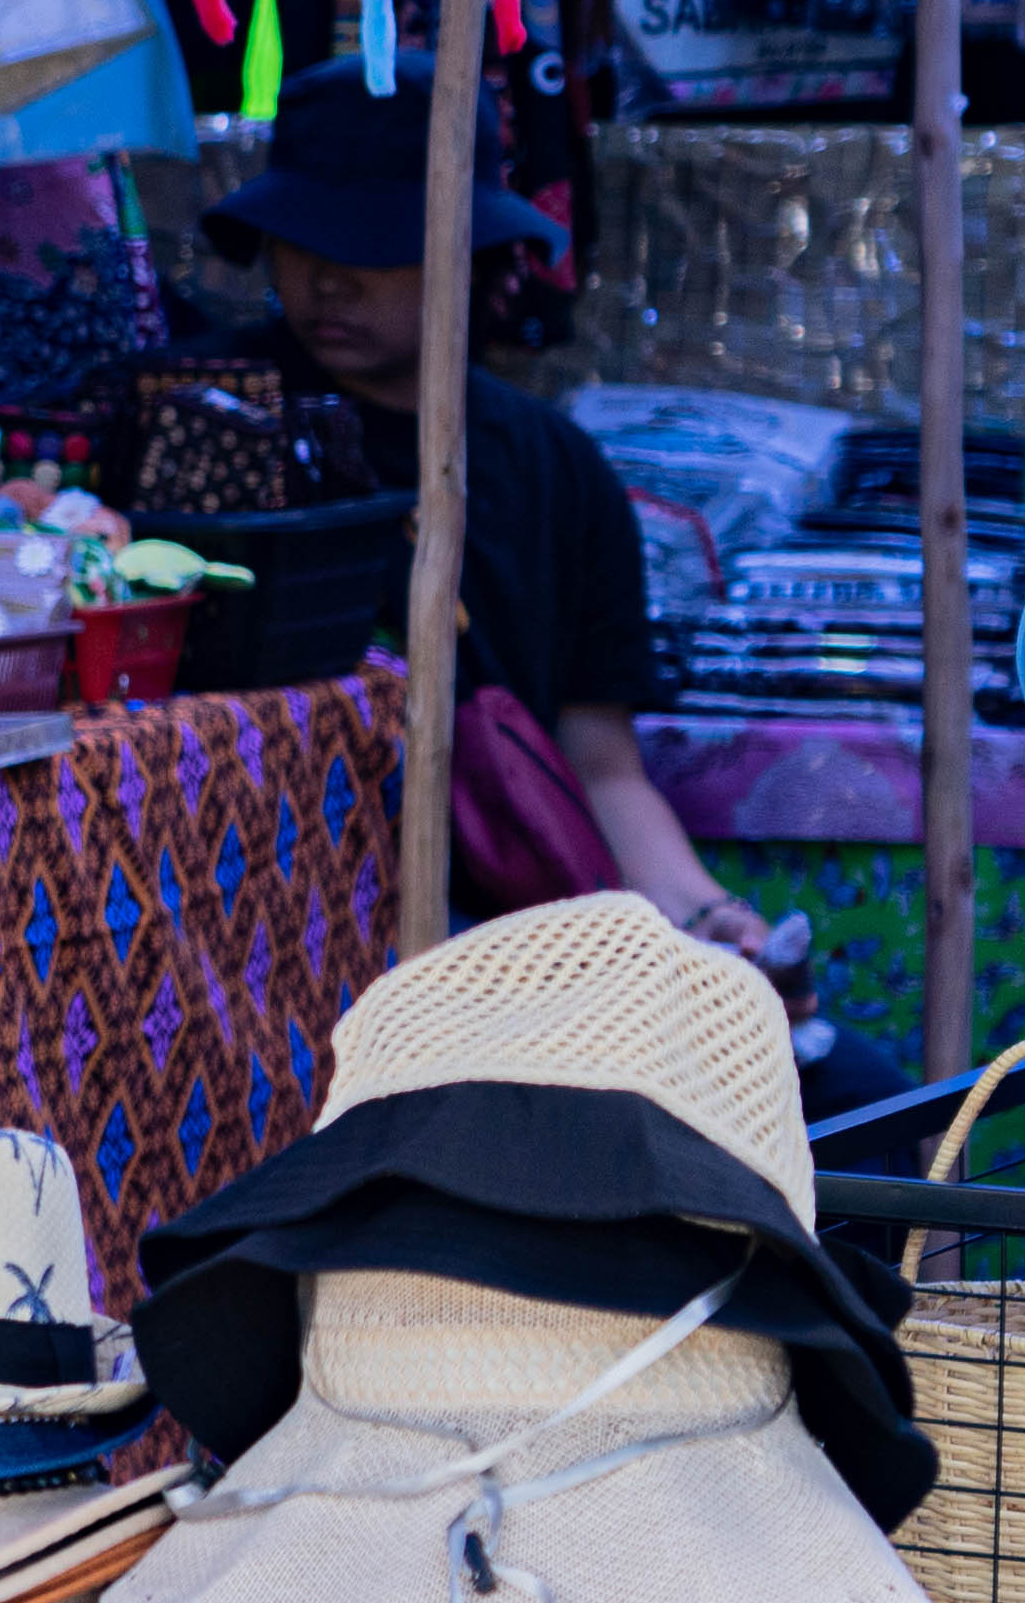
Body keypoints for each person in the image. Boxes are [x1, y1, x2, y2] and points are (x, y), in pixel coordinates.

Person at [194, 76, 770, 961]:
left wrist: (706, 922)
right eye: (300, 241)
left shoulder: (558, 470)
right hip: (247, 918)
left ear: (475, 256)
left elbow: (598, 765)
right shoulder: (201, 418)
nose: (328, 280)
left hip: (499, 940)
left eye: (375, 245)